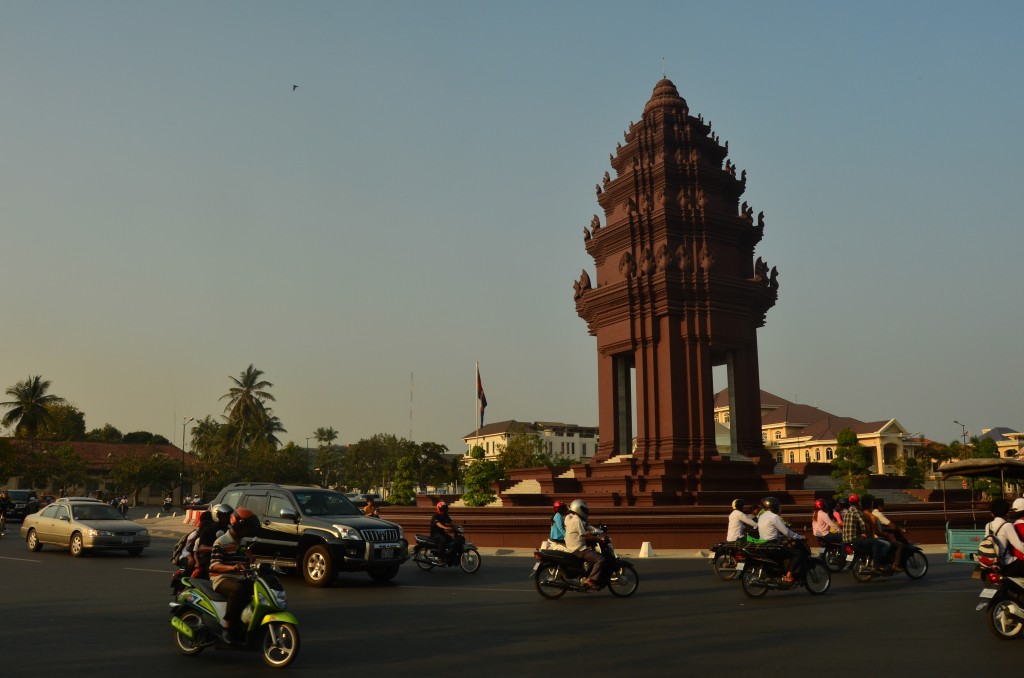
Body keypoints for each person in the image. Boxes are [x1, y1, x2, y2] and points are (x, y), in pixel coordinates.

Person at [210, 508, 261, 644]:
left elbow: (244, 562)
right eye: (246, 528)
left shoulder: (242, 542)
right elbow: (214, 565)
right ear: (238, 526)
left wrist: (249, 559)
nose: (248, 531)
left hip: (239, 577)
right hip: (222, 579)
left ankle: (247, 622)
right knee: (237, 589)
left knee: (259, 589)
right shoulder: (221, 542)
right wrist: (232, 568)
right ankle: (227, 628)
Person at [756, 496, 805, 584]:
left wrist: (780, 537)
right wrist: (799, 537)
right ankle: (789, 576)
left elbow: (770, 532)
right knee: (797, 553)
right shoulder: (774, 517)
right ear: (774, 506)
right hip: (773, 546)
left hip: (763, 545)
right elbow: (786, 532)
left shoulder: (761, 517)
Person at [564, 499, 606, 590]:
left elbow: (587, 528)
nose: (585, 512)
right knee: (600, 559)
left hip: (573, 547)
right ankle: (590, 580)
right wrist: (598, 538)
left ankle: (586, 575)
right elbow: (584, 536)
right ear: (578, 509)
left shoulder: (571, 519)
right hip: (579, 549)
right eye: (584, 510)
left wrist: (594, 534)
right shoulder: (577, 520)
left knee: (592, 552)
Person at [842, 494, 890, 573]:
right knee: (876, 543)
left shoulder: (845, 512)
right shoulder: (858, 512)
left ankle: (854, 564)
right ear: (858, 503)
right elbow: (863, 524)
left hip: (845, 540)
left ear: (849, 503)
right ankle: (877, 565)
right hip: (854, 539)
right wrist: (864, 533)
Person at [984, 497, 1024, 577]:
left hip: (994, 563)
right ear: (1006, 513)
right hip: (1008, 564)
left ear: (992, 513)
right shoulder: (1007, 526)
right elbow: (1019, 545)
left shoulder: (988, 525)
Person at [193, 503, 233, 578]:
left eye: (230, 515)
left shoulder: (230, 530)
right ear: (218, 516)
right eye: (226, 516)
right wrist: (217, 548)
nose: (229, 518)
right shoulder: (209, 529)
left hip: (227, 560)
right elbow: (201, 548)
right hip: (210, 560)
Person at [860, 495, 895, 570]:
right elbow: (875, 531)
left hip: (861, 538)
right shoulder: (871, 516)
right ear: (870, 505)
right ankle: (879, 561)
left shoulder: (860, 514)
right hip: (871, 538)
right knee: (887, 545)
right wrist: (884, 535)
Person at [871, 497, 906, 569]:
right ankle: (895, 565)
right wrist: (899, 528)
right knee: (900, 545)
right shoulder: (878, 514)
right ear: (879, 506)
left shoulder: (872, 513)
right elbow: (891, 524)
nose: (883, 507)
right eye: (883, 505)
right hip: (879, 537)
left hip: (873, 536)